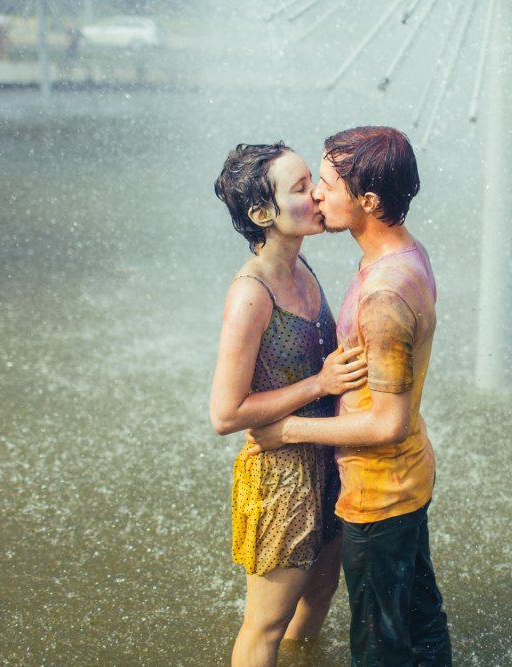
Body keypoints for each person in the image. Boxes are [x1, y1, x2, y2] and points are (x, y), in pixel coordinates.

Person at [248, 126, 452, 666]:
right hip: (405, 481)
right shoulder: (407, 253)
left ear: (367, 202)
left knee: (381, 650)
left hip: (379, 496)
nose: (316, 193)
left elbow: (387, 422)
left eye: (328, 184)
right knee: (420, 624)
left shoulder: (384, 294)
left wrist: (289, 429)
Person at [209, 142, 368, 667]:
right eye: (301, 189)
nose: (318, 195)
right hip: (280, 477)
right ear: (261, 214)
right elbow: (225, 414)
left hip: (327, 459)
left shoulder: (303, 268)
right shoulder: (251, 295)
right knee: (265, 626)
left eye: (312, 183)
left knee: (319, 598)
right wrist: (320, 385)